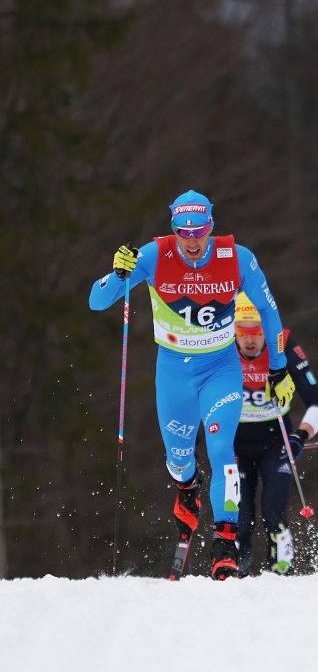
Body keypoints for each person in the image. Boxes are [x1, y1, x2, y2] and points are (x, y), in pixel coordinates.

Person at [89, 190, 292, 580]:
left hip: (221, 368)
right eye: (183, 232)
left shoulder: (238, 258)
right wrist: (117, 274)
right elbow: (97, 302)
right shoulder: (152, 256)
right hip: (174, 373)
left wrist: (278, 364)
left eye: (199, 230)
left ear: (211, 227)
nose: (192, 239)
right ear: (174, 231)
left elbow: (268, 310)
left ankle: (225, 543)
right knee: (179, 459)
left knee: (220, 446)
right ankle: (187, 488)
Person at [232, 292, 318, 576]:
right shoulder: (222, 347)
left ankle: (281, 577)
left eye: (258, 333)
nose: (250, 341)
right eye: (243, 333)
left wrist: (301, 436)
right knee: (241, 519)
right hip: (235, 444)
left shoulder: (283, 345)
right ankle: (235, 578)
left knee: (274, 515)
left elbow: (317, 405)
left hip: (276, 443)